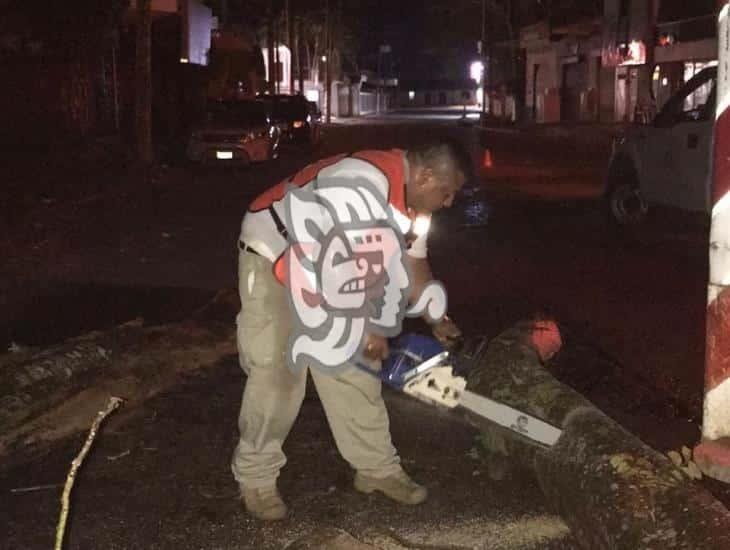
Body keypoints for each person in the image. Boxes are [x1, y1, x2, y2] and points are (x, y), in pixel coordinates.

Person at [232, 141, 469, 520]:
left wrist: (437, 319)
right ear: (425, 177)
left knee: (355, 366)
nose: (449, 203)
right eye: (447, 192)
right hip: (275, 253)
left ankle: (376, 469)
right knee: (280, 372)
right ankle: (256, 478)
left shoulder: (411, 207)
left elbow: (413, 265)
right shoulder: (356, 184)